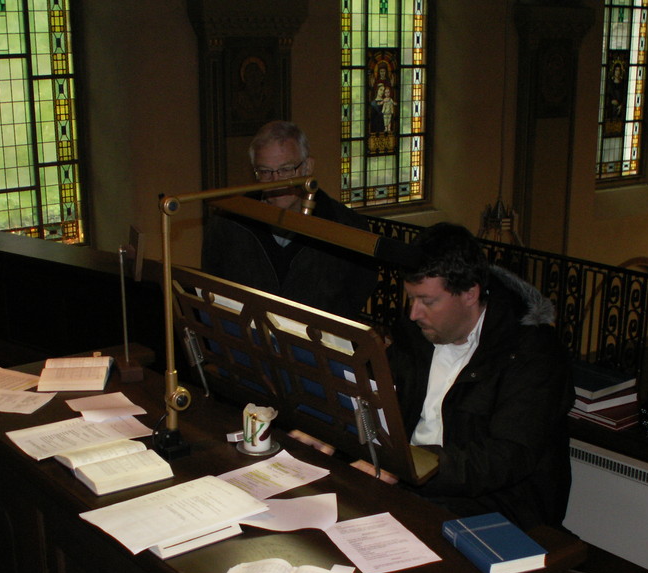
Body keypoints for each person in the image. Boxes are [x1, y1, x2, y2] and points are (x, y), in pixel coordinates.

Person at [387, 222, 574, 531]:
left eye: (427, 301)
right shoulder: (416, 333)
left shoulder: (533, 353)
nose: (413, 313)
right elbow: (379, 400)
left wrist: (405, 464)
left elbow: (505, 458)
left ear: (470, 293)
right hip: (414, 486)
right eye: (411, 298)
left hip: (498, 509)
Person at [201, 120, 378, 320]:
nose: (276, 182)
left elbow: (357, 291)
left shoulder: (346, 227)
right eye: (265, 172)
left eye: (286, 169)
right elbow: (214, 284)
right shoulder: (229, 221)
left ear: (308, 167)